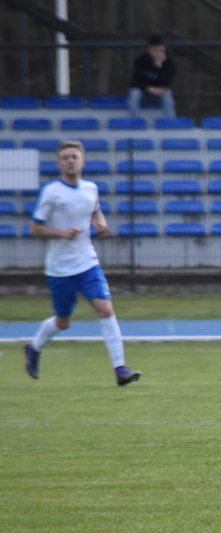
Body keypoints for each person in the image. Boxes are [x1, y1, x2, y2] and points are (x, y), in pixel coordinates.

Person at [24, 141, 141, 387]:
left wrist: (101, 223)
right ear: (58, 163)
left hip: (87, 263)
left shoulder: (91, 188)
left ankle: (120, 369)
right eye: (65, 157)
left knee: (106, 310)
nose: (70, 160)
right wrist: (62, 234)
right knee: (63, 321)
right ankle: (34, 348)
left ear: (82, 162)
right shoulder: (52, 192)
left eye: (74, 157)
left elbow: (95, 210)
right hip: (59, 269)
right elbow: (35, 228)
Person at [128, 35, 176, 118]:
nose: (158, 53)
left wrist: (159, 67)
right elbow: (135, 81)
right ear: (149, 50)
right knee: (134, 94)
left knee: (168, 96)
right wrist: (149, 88)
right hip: (143, 92)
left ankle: (169, 122)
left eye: (161, 50)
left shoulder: (169, 63)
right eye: (155, 50)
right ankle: (135, 121)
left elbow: (168, 81)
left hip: (159, 93)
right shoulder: (141, 61)